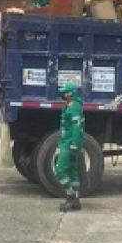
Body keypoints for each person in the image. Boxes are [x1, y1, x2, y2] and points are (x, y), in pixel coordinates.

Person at [55, 82, 85, 212]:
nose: (62, 94)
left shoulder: (74, 108)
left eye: (65, 92)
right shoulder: (69, 106)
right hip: (66, 142)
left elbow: (77, 128)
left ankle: (71, 196)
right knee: (72, 171)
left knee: (60, 170)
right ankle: (76, 200)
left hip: (69, 144)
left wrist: (74, 145)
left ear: (70, 94)